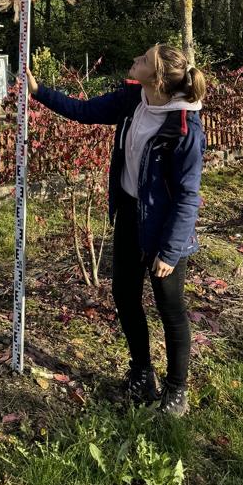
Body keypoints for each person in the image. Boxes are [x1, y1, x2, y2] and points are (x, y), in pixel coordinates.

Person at [26, 44, 207, 415]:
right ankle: (142, 371)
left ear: (156, 78)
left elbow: (188, 196)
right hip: (127, 214)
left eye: (144, 59)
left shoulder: (184, 127)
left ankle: (177, 390)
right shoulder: (133, 99)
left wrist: (170, 251)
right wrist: (39, 92)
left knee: (170, 308)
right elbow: (85, 111)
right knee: (125, 296)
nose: (136, 59)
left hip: (163, 229)